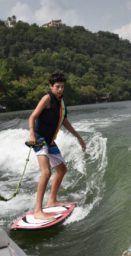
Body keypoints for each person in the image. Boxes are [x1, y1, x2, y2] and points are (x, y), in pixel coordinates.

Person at [28, 72, 86, 220]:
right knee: (46, 172)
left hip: (50, 141)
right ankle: (38, 211)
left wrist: (79, 137)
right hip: (40, 139)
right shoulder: (47, 98)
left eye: (62, 87)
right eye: (57, 87)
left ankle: (52, 200)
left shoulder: (61, 101)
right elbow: (33, 116)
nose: (60, 89)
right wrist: (32, 135)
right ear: (51, 86)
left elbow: (64, 122)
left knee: (61, 169)